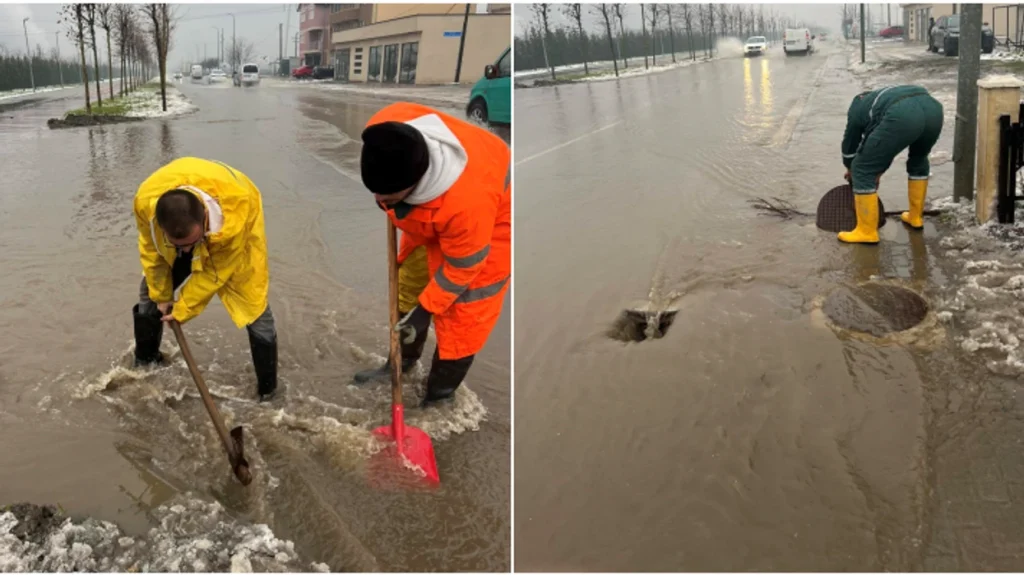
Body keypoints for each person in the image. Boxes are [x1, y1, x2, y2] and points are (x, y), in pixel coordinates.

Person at [353, 102, 511, 408]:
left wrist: (426, 311)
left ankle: (438, 396)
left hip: (490, 226)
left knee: (465, 315)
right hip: (436, 217)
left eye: (388, 198)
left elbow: (463, 268)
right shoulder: (384, 131)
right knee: (409, 287)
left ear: (416, 184)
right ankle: (400, 365)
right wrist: (387, 200)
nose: (379, 202)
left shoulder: (468, 205)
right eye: (375, 195)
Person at [131, 157, 278, 402]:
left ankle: (268, 392)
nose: (188, 253)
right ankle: (145, 363)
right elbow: (151, 251)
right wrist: (163, 295)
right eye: (180, 246)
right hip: (177, 215)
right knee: (150, 291)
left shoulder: (236, 214)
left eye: (192, 244)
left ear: (203, 223)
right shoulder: (146, 204)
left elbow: (215, 273)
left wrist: (184, 308)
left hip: (235, 221)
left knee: (254, 304)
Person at [838, 85, 944, 244]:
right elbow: (883, 147)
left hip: (903, 113)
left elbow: (850, 142)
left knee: (862, 168)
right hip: (933, 108)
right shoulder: (881, 97)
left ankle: (866, 232)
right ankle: (915, 217)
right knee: (919, 158)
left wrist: (850, 167)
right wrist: (878, 171)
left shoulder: (857, 107)